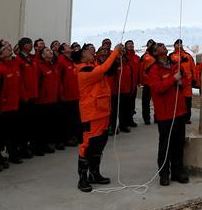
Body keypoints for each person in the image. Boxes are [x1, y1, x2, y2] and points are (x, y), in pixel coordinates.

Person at [76, 42, 124, 192]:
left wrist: (116, 57)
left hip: (102, 111)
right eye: (87, 50)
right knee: (88, 146)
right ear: (81, 56)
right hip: (92, 114)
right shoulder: (83, 71)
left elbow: (107, 69)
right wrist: (115, 52)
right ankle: (82, 178)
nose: (91, 51)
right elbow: (103, 69)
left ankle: (94, 173)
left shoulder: (93, 65)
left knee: (99, 145)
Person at [146, 42, 189, 186]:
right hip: (165, 113)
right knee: (166, 145)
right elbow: (158, 88)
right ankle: (164, 174)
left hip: (179, 110)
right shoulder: (153, 69)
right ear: (155, 52)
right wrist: (173, 79)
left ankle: (178, 172)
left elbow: (186, 80)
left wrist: (181, 81)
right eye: (159, 46)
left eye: (163, 45)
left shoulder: (175, 64)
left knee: (179, 143)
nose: (163, 46)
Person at [0, 41, 21, 165]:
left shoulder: (14, 66)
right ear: (1, 55)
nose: (9, 49)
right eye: (5, 49)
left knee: (14, 131)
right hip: (4, 107)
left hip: (14, 104)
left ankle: (13, 153)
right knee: (3, 133)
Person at [16, 37, 38, 159]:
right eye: (28, 43)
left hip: (33, 95)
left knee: (30, 123)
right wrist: (23, 95)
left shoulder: (31, 59)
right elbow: (20, 80)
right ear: (23, 45)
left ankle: (28, 146)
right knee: (23, 124)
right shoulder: (19, 59)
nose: (31, 45)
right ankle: (22, 147)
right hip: (24, 97)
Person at [35, 47, 59, 151]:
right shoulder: (40, 67)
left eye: (50, 50)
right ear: (43, 55)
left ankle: (49, 143)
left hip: (53, 99)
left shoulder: (53, 65)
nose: (50, 52)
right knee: (42, 125)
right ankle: (40, 145)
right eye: (47, 51)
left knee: (51, 123)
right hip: (43, 100)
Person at [57, 43, 81, 146]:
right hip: (67, 95)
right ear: (62, 51)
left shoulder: (71, 61)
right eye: (66, 46)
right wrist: (62, 93)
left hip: (75, 94)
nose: (69, 47)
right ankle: (67, 138)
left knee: (75, 117)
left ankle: (75, 136)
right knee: (68, 118)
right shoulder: (61, 61)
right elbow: (59, 79)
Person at [171, 40, 195, 124]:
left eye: (180, 44)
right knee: (177, 101)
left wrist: (194, 80)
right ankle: (177, 117)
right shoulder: (171, 56)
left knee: (187, 101)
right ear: (174, 45)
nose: (179, 45)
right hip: (176, 83)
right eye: (177, 44)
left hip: (187, 83)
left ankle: (187, 118)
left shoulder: (188, 56)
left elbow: (193, 68)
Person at [124, 40, 141, 126]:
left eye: (132, 44)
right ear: (125, 46)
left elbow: (139, 71)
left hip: (134, 84)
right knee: (125, 104)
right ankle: (124, 122)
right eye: (129, 44)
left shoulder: (137, 58)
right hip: (125, 85)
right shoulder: (123, 57)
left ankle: (130, 120)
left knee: (132, 103)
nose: (130, 45)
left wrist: (139, 81)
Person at [140, 40, 156, 125]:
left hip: (156, 82)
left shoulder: (157, 55)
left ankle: (157, 117)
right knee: (146, 102)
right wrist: (141, 80)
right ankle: (146, 118)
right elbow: (141, 69)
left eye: (152, 44)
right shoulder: (144, 56)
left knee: (157, 101)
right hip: (147, 82)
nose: (151, 46)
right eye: (149, 44)